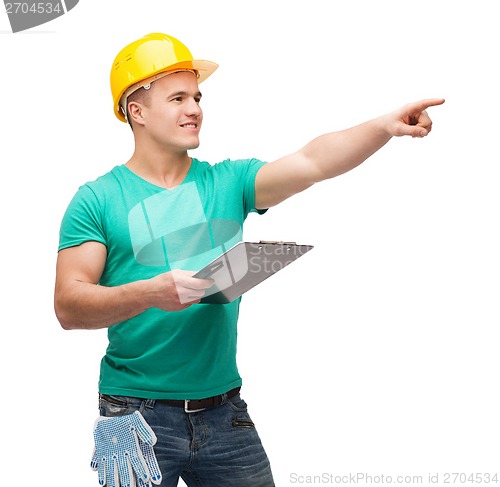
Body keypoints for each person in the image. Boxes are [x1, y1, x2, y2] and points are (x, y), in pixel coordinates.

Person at [54, 32, 444, 487]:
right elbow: (68, 305)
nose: (195, 108)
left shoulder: (228, 182)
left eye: (197, 96)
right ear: (136, 111)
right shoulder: (97, 200)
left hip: (224, 414)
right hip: (135, 416)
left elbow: (313, 162)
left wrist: (382, 127)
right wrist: (150, 293)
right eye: (177, 97)